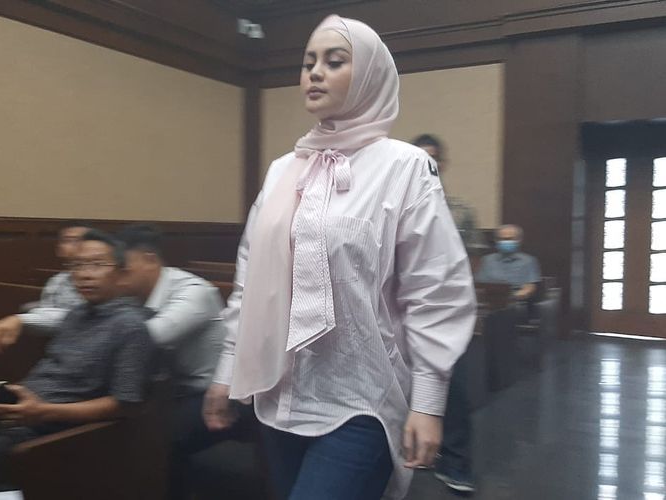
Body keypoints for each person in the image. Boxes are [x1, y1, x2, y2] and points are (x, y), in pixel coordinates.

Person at [202, 15, 476, 500]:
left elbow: (435, 289)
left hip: (361, 397)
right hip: (277, 394)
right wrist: (227, 372)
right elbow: (250, 282)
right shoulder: (283, 170)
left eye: (334, 61)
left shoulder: (405, 166)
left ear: (369, 74)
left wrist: (429, 402)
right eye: (308, 62)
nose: (315, 72)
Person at [0, 230, 156, 499]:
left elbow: (125, 404)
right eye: (77, 265)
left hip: (52, 434)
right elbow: (50, 376)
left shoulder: (131, 328)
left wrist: (44, 412)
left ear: (122, 274)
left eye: (97, 264)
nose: (84, 274)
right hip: (18, 411)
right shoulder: (77, 315)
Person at [114, 225, 243, 499]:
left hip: (214, 394)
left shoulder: (193, 291)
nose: (118, 277)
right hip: (170, 390)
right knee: (120, 429)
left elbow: (149, 338)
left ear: (150, 260)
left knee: (157, 439)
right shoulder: (134, 296)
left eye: (124, 269)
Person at [413, 134, 479, 493]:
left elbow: (469, 262)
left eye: (433, 159)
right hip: (404, 309)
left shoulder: (459, 210)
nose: (427, 164)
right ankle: (414, 451)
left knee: (454, 388)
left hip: (445, 309)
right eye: (420, 157)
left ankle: (455, 463)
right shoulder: (394, 203)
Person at [0, 220, 90, 357]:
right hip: (56, 347)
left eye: (84, 240)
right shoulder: (57, 280)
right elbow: (49, 310)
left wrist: (21, 319)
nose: (79, 245)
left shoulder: (98, 280)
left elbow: (82, 316)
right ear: (59, 249)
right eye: (70, 240)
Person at [476, 224, 541, 321]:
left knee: (503, 314)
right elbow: (480, 285)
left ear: (519, 240)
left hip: (515, 303)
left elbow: (530, 287)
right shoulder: (487, 260)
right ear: (496, 241)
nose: (505, 242)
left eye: (509, 239)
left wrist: (512, 297)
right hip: (489, 302)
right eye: (502, 239)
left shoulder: (528, 261)